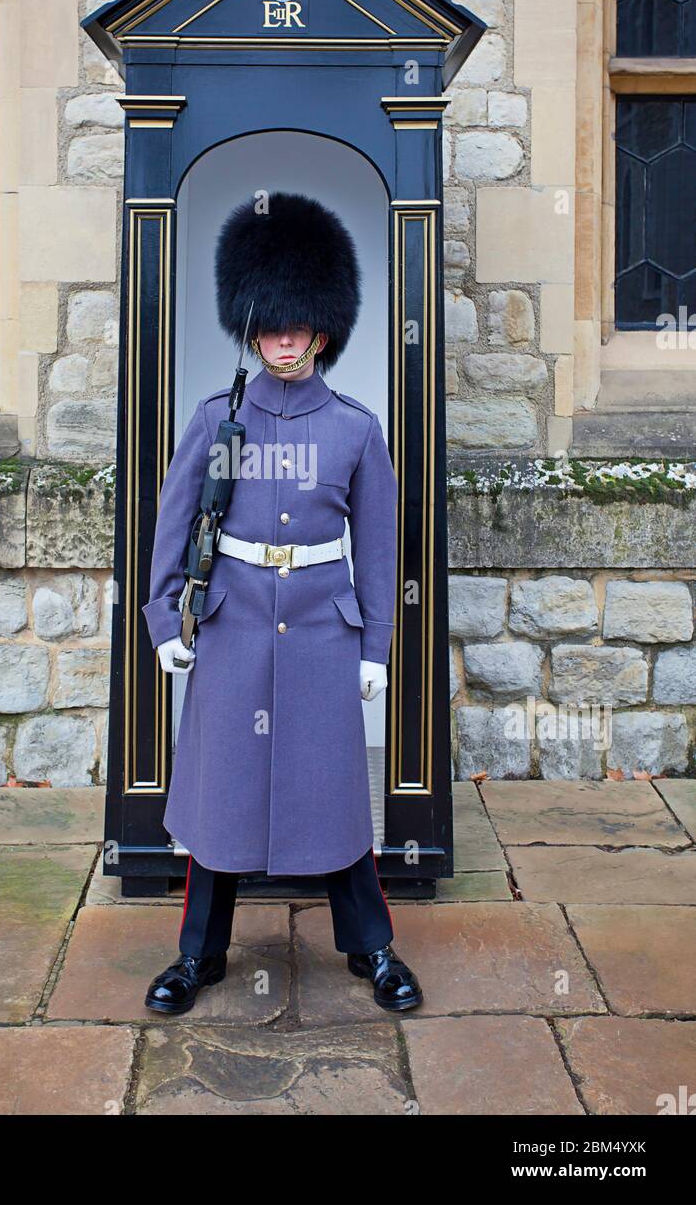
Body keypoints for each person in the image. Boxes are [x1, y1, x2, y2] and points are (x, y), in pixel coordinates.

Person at [140, 191, 422, 1016]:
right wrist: (164, 621)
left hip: (322, 635)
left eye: (297, 325)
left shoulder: (356, 430)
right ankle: (198, 955)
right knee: (221, 794)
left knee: (333, 794)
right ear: (253, 329)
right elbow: (172, 527)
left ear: (321, 331)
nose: (284, 339)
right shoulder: (215, 421)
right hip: (231, 626)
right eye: (271, 326)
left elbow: (376, 550)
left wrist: (375, 649)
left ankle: (372, 950)